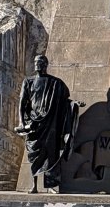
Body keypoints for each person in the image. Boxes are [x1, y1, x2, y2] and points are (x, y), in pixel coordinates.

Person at [15, 54, 78, 193]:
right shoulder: (28, 81)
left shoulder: (56, 83)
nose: (37, 65)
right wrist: (22, 122)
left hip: (50, 124)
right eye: (36, 62)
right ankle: (34, 185)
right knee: (34, 155)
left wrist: (74, 104)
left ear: (45, 65)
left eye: (40, 62)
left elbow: (64, 102)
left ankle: (51, 186)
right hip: (34, 124)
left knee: (51, 154)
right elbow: (22, 103)